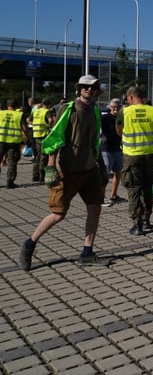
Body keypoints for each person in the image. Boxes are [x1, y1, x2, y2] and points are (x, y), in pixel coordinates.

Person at [18, 75, 108, 270]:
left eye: (93, 87)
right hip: (69, 170)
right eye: (85, 87)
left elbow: (95, 142)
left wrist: (102, 166)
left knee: (95, 209)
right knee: (58, 213)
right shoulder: (69, 110)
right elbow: (56, 137)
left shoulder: (95, 111)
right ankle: (29, 243)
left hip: (90, 170)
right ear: (79, 89)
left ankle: (87, 252)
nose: (89, 90)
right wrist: (50, 167)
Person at [117, 85, 153, 235]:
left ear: (130, 97)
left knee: (134, 188)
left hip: (132, 156)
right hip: (150, 155)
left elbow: (119, 130)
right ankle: (147, 219)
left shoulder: (125, 112)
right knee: (148, 188)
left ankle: (137, 224)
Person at [101, 98, 124, 206]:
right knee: (105, 174)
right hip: (107, 149)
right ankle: (101, 197)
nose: (115, 109)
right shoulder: (105, 118)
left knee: (118, 172)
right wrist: (102, 136)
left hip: (117, 148)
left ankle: (114, 195)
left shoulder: (121, 118)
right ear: (109, 107)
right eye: (113, 107)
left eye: (118, 107)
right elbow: (99, 129)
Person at [0, 99, 27, 189]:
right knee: (12, 162)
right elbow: (25, 128)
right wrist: (28, 139)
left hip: (1, 140)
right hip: (14, 142)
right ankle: (9, 182)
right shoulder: (19, 115)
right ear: (17, 106)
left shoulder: (1, 113)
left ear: (7, 105)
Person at [29, 98, 53, 183]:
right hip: (44, 136)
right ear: (49, 104)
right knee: (44, 156)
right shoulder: (47, 111)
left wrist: (34, 125)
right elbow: (50, 120)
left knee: (37, 156)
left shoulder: (36, 111)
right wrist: (49, 127)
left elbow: (28, 120)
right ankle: (42, 177)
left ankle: (35, 176)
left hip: (36, 135)